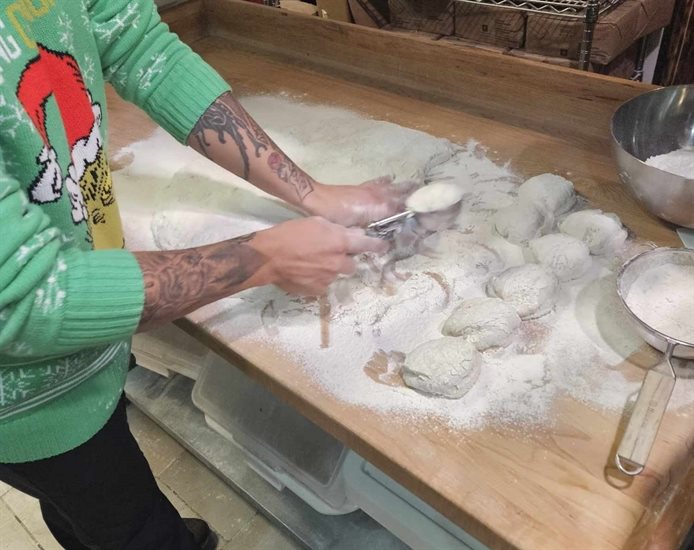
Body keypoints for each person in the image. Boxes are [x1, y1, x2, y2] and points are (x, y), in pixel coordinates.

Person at [0, 1, 404, 548]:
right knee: (125, 519)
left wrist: (309, 192)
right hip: (26, 400)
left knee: (88, 506)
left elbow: (140, 48)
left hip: (86, 344)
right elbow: (23, 301)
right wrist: (262, 257)